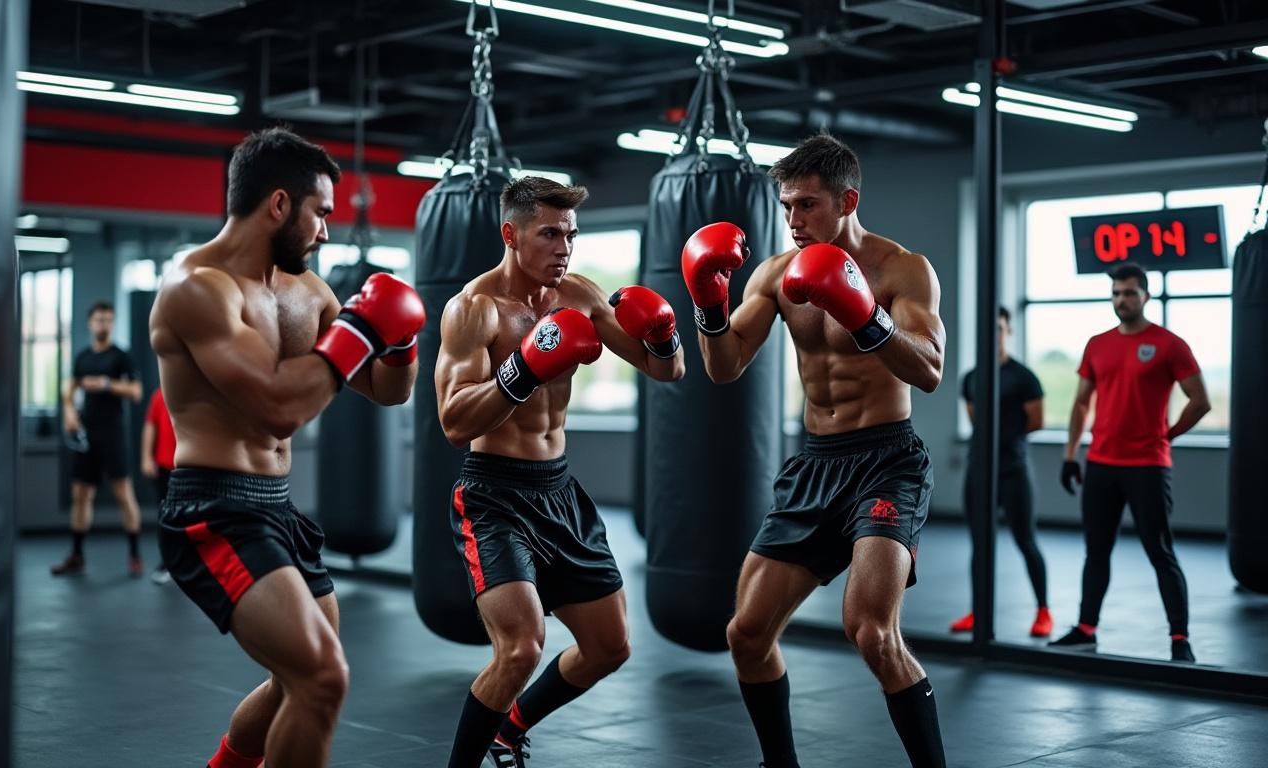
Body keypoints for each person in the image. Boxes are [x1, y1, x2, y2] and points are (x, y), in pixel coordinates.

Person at [150, 127, 425, 768]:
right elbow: (274, 407)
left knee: (295, 680)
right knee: (322, 677)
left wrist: (403, 338)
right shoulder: (199, 288)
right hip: (214, 513)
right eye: (321, 213)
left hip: (277, 507)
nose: (327, 231)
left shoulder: (309, 294)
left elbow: (388, 391)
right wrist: (361, 330)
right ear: (279, 205)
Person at [684, 133, 947, 768]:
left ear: (847, 200)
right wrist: (709, 305)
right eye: (787, 207)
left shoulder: (901, 268)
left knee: (871, 630)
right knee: (746, 634)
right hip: (815, 465)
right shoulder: (775, 274)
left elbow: (930, 369)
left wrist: (866, 316)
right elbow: (724, 367)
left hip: (886, 460)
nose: (794, 221)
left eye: (807, 205)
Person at [436, 176, 685, 768]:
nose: (564, 247)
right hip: (495, 494)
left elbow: (664, 371)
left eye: (570, 234)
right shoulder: (473, 310)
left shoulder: (578, 294)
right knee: (521, 650)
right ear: (511, 234)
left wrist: (665, 331)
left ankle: (512, 727)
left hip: (559, 492)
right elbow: (452, 419)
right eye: (549, 233)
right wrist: (523, 369)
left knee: (609, 647)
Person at [1050, 263, 1209, 663]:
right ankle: (1086, 628)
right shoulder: (1097, 344)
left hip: (1147, 466)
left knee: (1159, 551)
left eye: (1130, 293)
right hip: (1102, 463)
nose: (1122, 300)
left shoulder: (1170, 344)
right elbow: (1083, 401)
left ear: (1146, 296)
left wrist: (1168, 435)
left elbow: (1200, 400)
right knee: (1096, 550)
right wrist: (1071, 455)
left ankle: (1179, 638)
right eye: (1116, 293)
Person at [950, 306, 1051, 638]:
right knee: (979, 544)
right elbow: (974, 418)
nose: (994, 333)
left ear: (1008, 331)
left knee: (1026, 541)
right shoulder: (972, 377)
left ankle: (1043, 612)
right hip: (979, 471)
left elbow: (1036, 421)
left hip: (1013, 470)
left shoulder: (1023, 377)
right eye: (988, 328)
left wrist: (1005, 437)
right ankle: (978, 612)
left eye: (999, 327)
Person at [52, 301, 145, 576]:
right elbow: (68, 389)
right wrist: (68, 412)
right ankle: (77, 555)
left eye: (108, 320)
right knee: (80, 493)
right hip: (86, 434)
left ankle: (135, 555)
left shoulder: (121, 357)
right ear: (90, 324)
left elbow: (137, 392)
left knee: (123, 493)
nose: (104, 324)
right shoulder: (82, 358)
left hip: (113, 434)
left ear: (112, 324)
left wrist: (107, 384)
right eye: (99, 320)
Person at [140, 386, 177, 585]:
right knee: (165, 517)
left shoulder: (196, 390)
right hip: (164, 466)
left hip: (189, 466)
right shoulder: (159, 395)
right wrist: (146, 457)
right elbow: (150, 425)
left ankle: (186, 564)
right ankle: (167, 563)